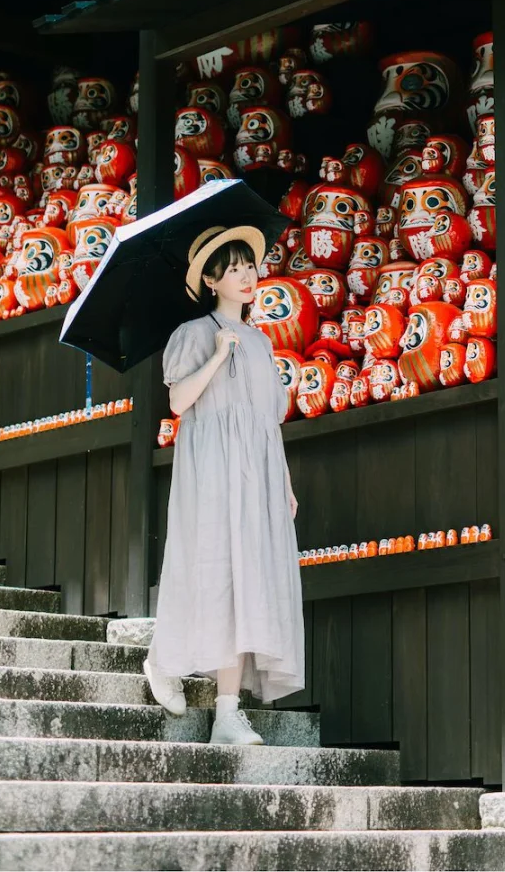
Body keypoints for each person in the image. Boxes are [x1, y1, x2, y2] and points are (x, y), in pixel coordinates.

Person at [142, 224, 304, 745]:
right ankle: (163, 659)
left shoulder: (263, 342)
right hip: (210, 470)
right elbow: (178, 403)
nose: (246, 276)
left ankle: (228, 715)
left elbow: (267, 422)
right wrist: (215, 354)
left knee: (247, 584)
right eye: (233, 269)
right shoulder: (192, 334)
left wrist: (283, 482)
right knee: (208, 566)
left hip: (256, 474)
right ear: (211, 280)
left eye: (250, 266)